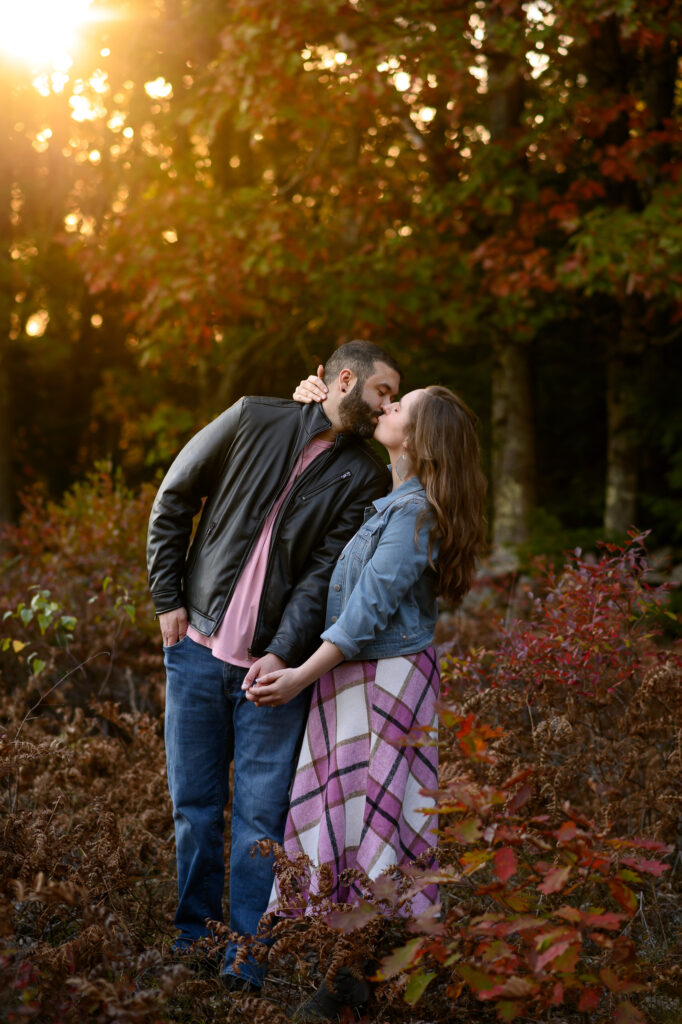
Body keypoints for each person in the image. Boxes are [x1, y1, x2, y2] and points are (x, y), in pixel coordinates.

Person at [146, 341, 401, 992]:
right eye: (382, 393)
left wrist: (282, 653)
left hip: (271, 673)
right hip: (196, 651)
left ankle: (246, 959)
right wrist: (169, 600)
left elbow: (322, 576)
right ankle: (193, 941)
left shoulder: (365, 475)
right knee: (195, 808)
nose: (387, 406)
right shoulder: (254, 416)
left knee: (262, 821)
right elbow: (175, 495)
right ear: (345, 380)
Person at [245, 380, 487, 1020]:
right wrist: (314, 397)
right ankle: (355, 974)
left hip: (382, 684)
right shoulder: (393, 501)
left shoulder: (415, 514)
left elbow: (366, 614)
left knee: (365, 822)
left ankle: (349, 980)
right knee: (347, 820)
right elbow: (334, 426)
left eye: (400, 407)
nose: (387, 406)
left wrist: (298, 676)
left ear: (422, 436)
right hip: (353, 680)